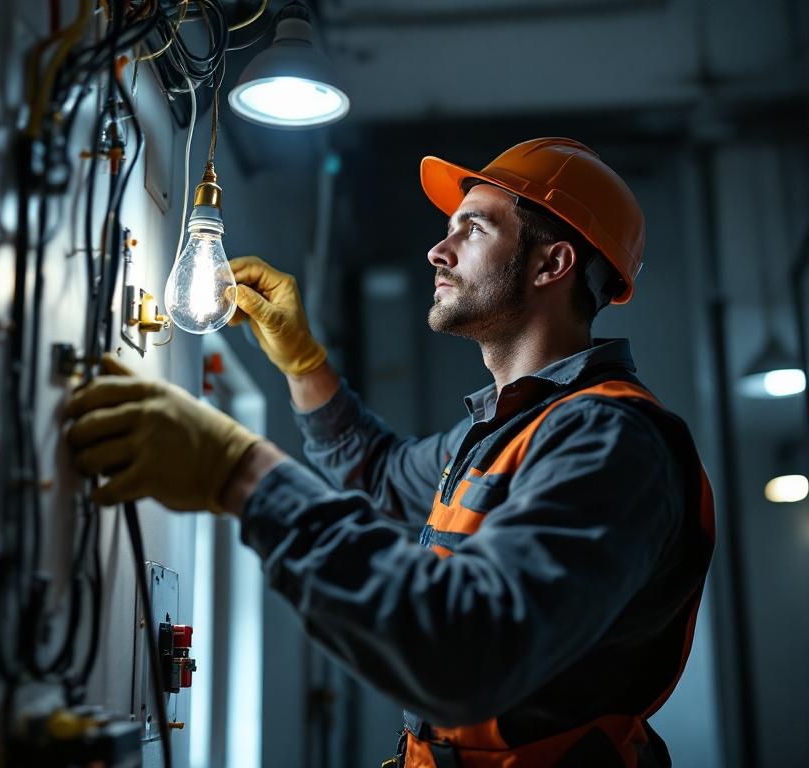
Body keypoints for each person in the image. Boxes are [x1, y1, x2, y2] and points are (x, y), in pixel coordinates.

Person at [65, 138, 715, 767]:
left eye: (474, 229)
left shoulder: (610, 442)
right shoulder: (507, 431)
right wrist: (304, 363)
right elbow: (378, 474)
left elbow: (467, 649)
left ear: (552, 265)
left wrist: (238, 472)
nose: (438, 250)